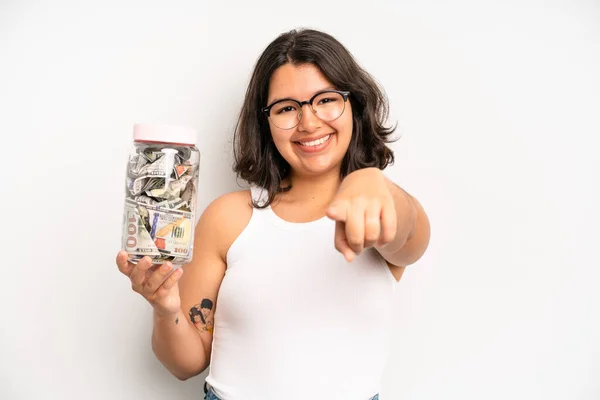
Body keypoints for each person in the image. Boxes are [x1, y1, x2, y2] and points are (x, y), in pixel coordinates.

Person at [116, 28, 430, 400]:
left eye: (326, 100)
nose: (309, 123)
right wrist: (164, 305)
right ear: (265, 122)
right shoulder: (229, 217)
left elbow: (408, 233)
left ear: (355, 105)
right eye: (286, 108)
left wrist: (372, 181)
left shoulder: (381, 210)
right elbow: (185, 364)